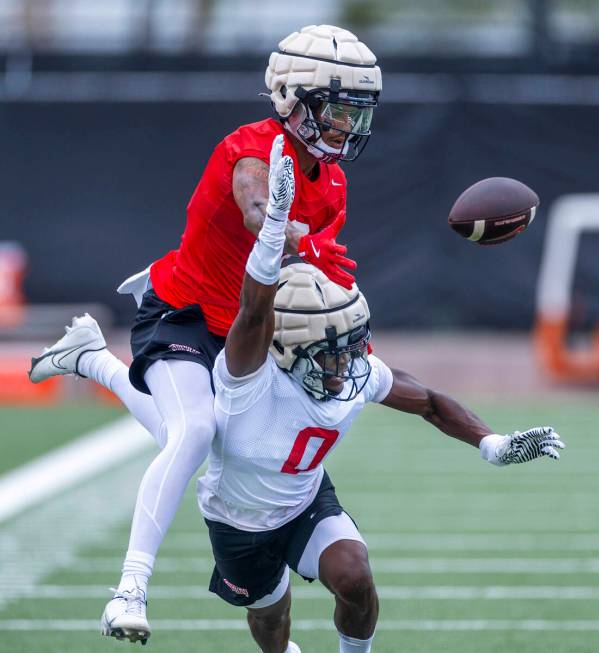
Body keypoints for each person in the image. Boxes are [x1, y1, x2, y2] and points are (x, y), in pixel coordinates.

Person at [35, 135, 564, 652]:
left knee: (355, 578)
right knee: (269, 612)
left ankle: (92, 360)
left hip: (305, 500)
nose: (345, 364)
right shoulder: (246, 378)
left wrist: (492, 444)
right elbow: (255, 309)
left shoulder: (354, 370)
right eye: (330, 351)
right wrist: (270, 234)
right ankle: (95, 363)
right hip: (237, 521)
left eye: (348, 347)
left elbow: (428, 401)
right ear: (286, 351)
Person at [28, 24, 382, 644]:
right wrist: (285, 226)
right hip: (183, 314)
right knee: (194, 431)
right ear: (293, 100)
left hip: (249, 333)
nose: (346, 126)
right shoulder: (252, 148)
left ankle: (93, 360)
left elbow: (304, 283)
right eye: (336, 109)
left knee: (215, 441)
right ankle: (129, 590)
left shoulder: (332, 182)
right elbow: (254, 207)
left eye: (356, 112)